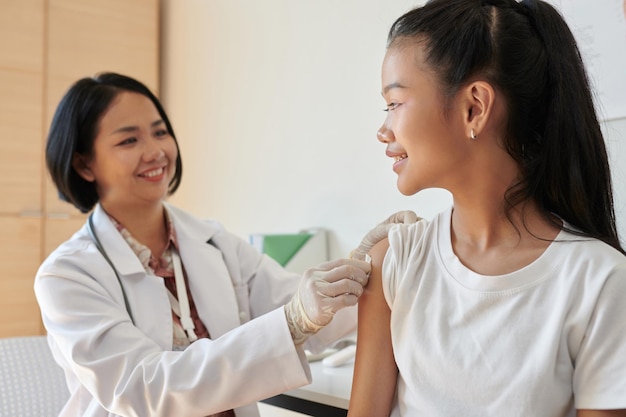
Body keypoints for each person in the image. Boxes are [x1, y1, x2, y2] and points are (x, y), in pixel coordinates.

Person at [35, 72, 415, 417]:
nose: (156, 151)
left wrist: (373, 268)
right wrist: (295, 320)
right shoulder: (66, 276)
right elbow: (144, 390)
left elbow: (296, 304)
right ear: (85, 165)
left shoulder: (212, 241)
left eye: (160, 132)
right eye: (129, 139)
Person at [348, 1, 626, 416]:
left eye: (395, 103)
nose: (382, 130)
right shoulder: (393, 263)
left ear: (474, 107)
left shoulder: (600, 281)